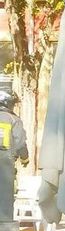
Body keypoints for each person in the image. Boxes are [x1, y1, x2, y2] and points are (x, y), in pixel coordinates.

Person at [0, 91, 28, 222]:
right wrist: (25, 159)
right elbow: (20, 143)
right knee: (6, 198)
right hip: (6, 166)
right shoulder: (14, 120)